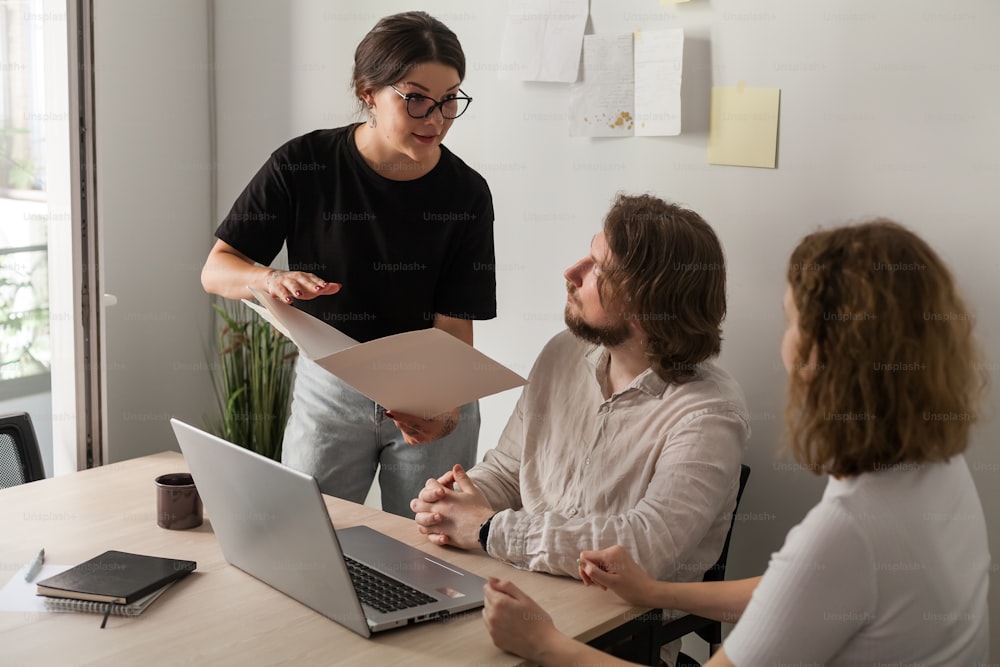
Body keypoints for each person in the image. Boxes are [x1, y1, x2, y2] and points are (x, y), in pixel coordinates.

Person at [482, 219, 990, 666]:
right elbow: (793, 590)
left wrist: (545, 644)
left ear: (825, 356)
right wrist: (656, 591)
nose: (783, 342)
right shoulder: (937, 471)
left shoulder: (849, 529)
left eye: (792, 322)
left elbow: (821, 570)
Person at [411, 193, 750, 662]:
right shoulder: (561, 353)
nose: (572, 273)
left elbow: (640, 549)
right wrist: (456, 500)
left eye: (599, 270)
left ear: (650, 302)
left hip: (620, 633)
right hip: (526, 585)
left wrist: (490, 529)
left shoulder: (709, 413)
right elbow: (511, 469)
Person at [200, 12, 496, 517]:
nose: (436, 118)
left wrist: (445, 413)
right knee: (305, 535)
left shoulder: (466, 192)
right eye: (416, 98)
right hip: (330, 391)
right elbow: (217, 270)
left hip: (429, 387)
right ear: (368, 92)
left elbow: (454, 326)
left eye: (450, 99)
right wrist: (268, 278)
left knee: (430, 555)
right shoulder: (304, 164)